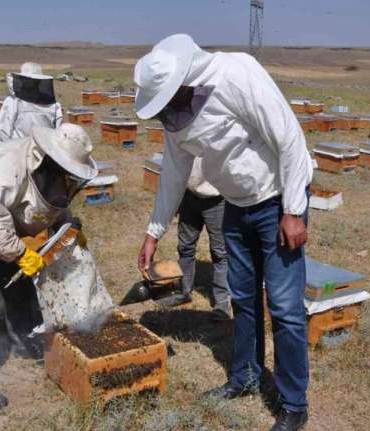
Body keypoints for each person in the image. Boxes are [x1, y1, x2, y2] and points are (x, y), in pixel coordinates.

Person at [133, 34, 313, 431]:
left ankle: (293, 403)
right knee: (243, 300)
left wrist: (294, 210)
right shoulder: (176, 113)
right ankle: (245, 376)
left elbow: (290, 139)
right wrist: (153, 232)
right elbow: (174, 175)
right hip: (235, 206)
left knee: (283, 307)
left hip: (275, 201)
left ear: (182, 83)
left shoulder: (237, 74)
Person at [0, 123, 97, 409]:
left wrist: (67, 225)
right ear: (50, 160)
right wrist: (20, 252)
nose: (68, 182)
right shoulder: (10, 166)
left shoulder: (52, 172)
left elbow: (54, 203)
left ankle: (25, 342)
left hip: (2, 227)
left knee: (20, 290)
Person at [158, 157, 231, 319]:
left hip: (217, 198)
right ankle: (184, 292)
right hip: (189, 194)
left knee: (220, 252)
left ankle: (221, 303)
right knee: (185, 247)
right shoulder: (181, 133)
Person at [0, 62, 63, 145]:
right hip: (41, 150)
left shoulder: (13, 101)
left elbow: (3, 131)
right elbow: (58, 132)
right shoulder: (54, 104)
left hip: (23, 150)